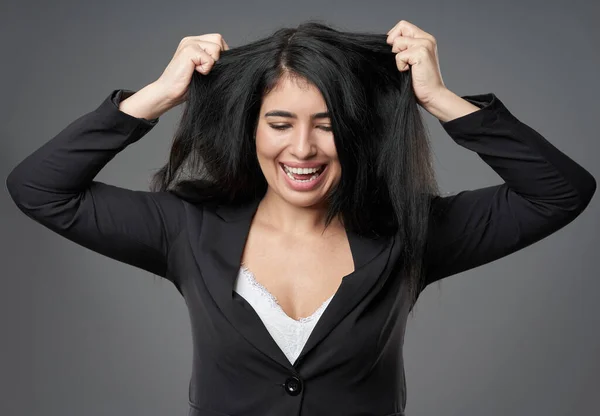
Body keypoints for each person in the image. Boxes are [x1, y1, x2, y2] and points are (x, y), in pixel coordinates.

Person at [6, 19, 596, 416]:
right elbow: (40, 188)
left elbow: (559, 193)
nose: (303, 149)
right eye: (281, 123)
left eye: (328, 123)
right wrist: (156, 96)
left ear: (358, 131)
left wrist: (442, 100)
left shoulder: (409, 231)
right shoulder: (187, 226)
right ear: (252, 128)